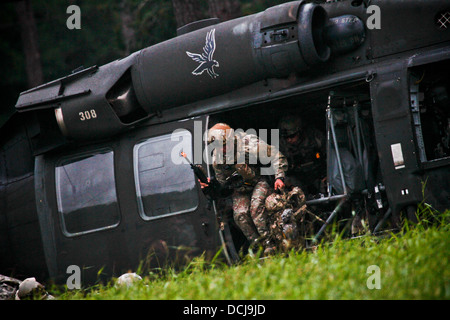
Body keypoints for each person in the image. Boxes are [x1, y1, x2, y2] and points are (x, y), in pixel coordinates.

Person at [201, 123, 288, 255]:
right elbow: (222, 184)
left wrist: (279, 177)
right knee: (240, 215)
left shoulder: (249, 144)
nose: (222, 149)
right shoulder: (217, 158)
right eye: (218, 146)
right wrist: (210, 184)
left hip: (259, 180)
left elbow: (276, 155)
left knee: (256, 209)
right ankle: (261, 248)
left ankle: (273, 243)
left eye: (224, 145)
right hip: (240, 188)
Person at [278, 114, 327, 196]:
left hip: (318, 174)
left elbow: (329, 156)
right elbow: (278, 168)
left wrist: (327, 174)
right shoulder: (282, 146)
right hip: (297, 179)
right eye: (286, 137)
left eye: (292, 136)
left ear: (299, 132)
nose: (289, 140)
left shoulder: (315, 138)